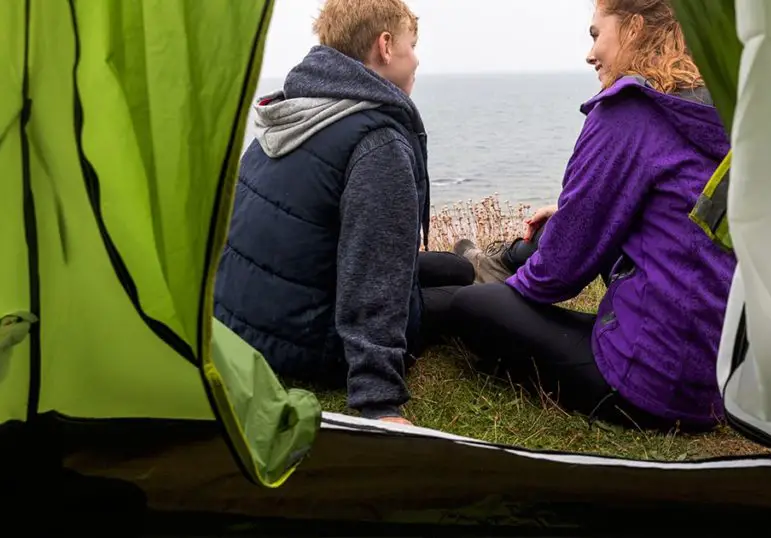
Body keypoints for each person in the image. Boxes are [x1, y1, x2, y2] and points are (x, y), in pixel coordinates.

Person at [448, 0, 737, 432]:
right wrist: (570, 215)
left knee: (470, 306)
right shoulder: (718, 111)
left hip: (652, 387)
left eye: (595, 34)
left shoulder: (629, 109)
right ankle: (496, 263)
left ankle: (489, 272)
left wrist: (511, 292)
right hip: (716, 382)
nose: (589, 53)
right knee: (565, 230)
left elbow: (558, 277)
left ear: (635, 29)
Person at [213, 0, 473, 427]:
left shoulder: (292, 113)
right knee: (465, 299)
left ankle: (474, 264)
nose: (418, 58)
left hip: (246, 327)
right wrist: (379, 401)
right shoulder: (377, 143)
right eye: (412, 44)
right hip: (315, 346)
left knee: (456, 269)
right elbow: (373, 271)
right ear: (385, 46)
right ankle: (485, 277)